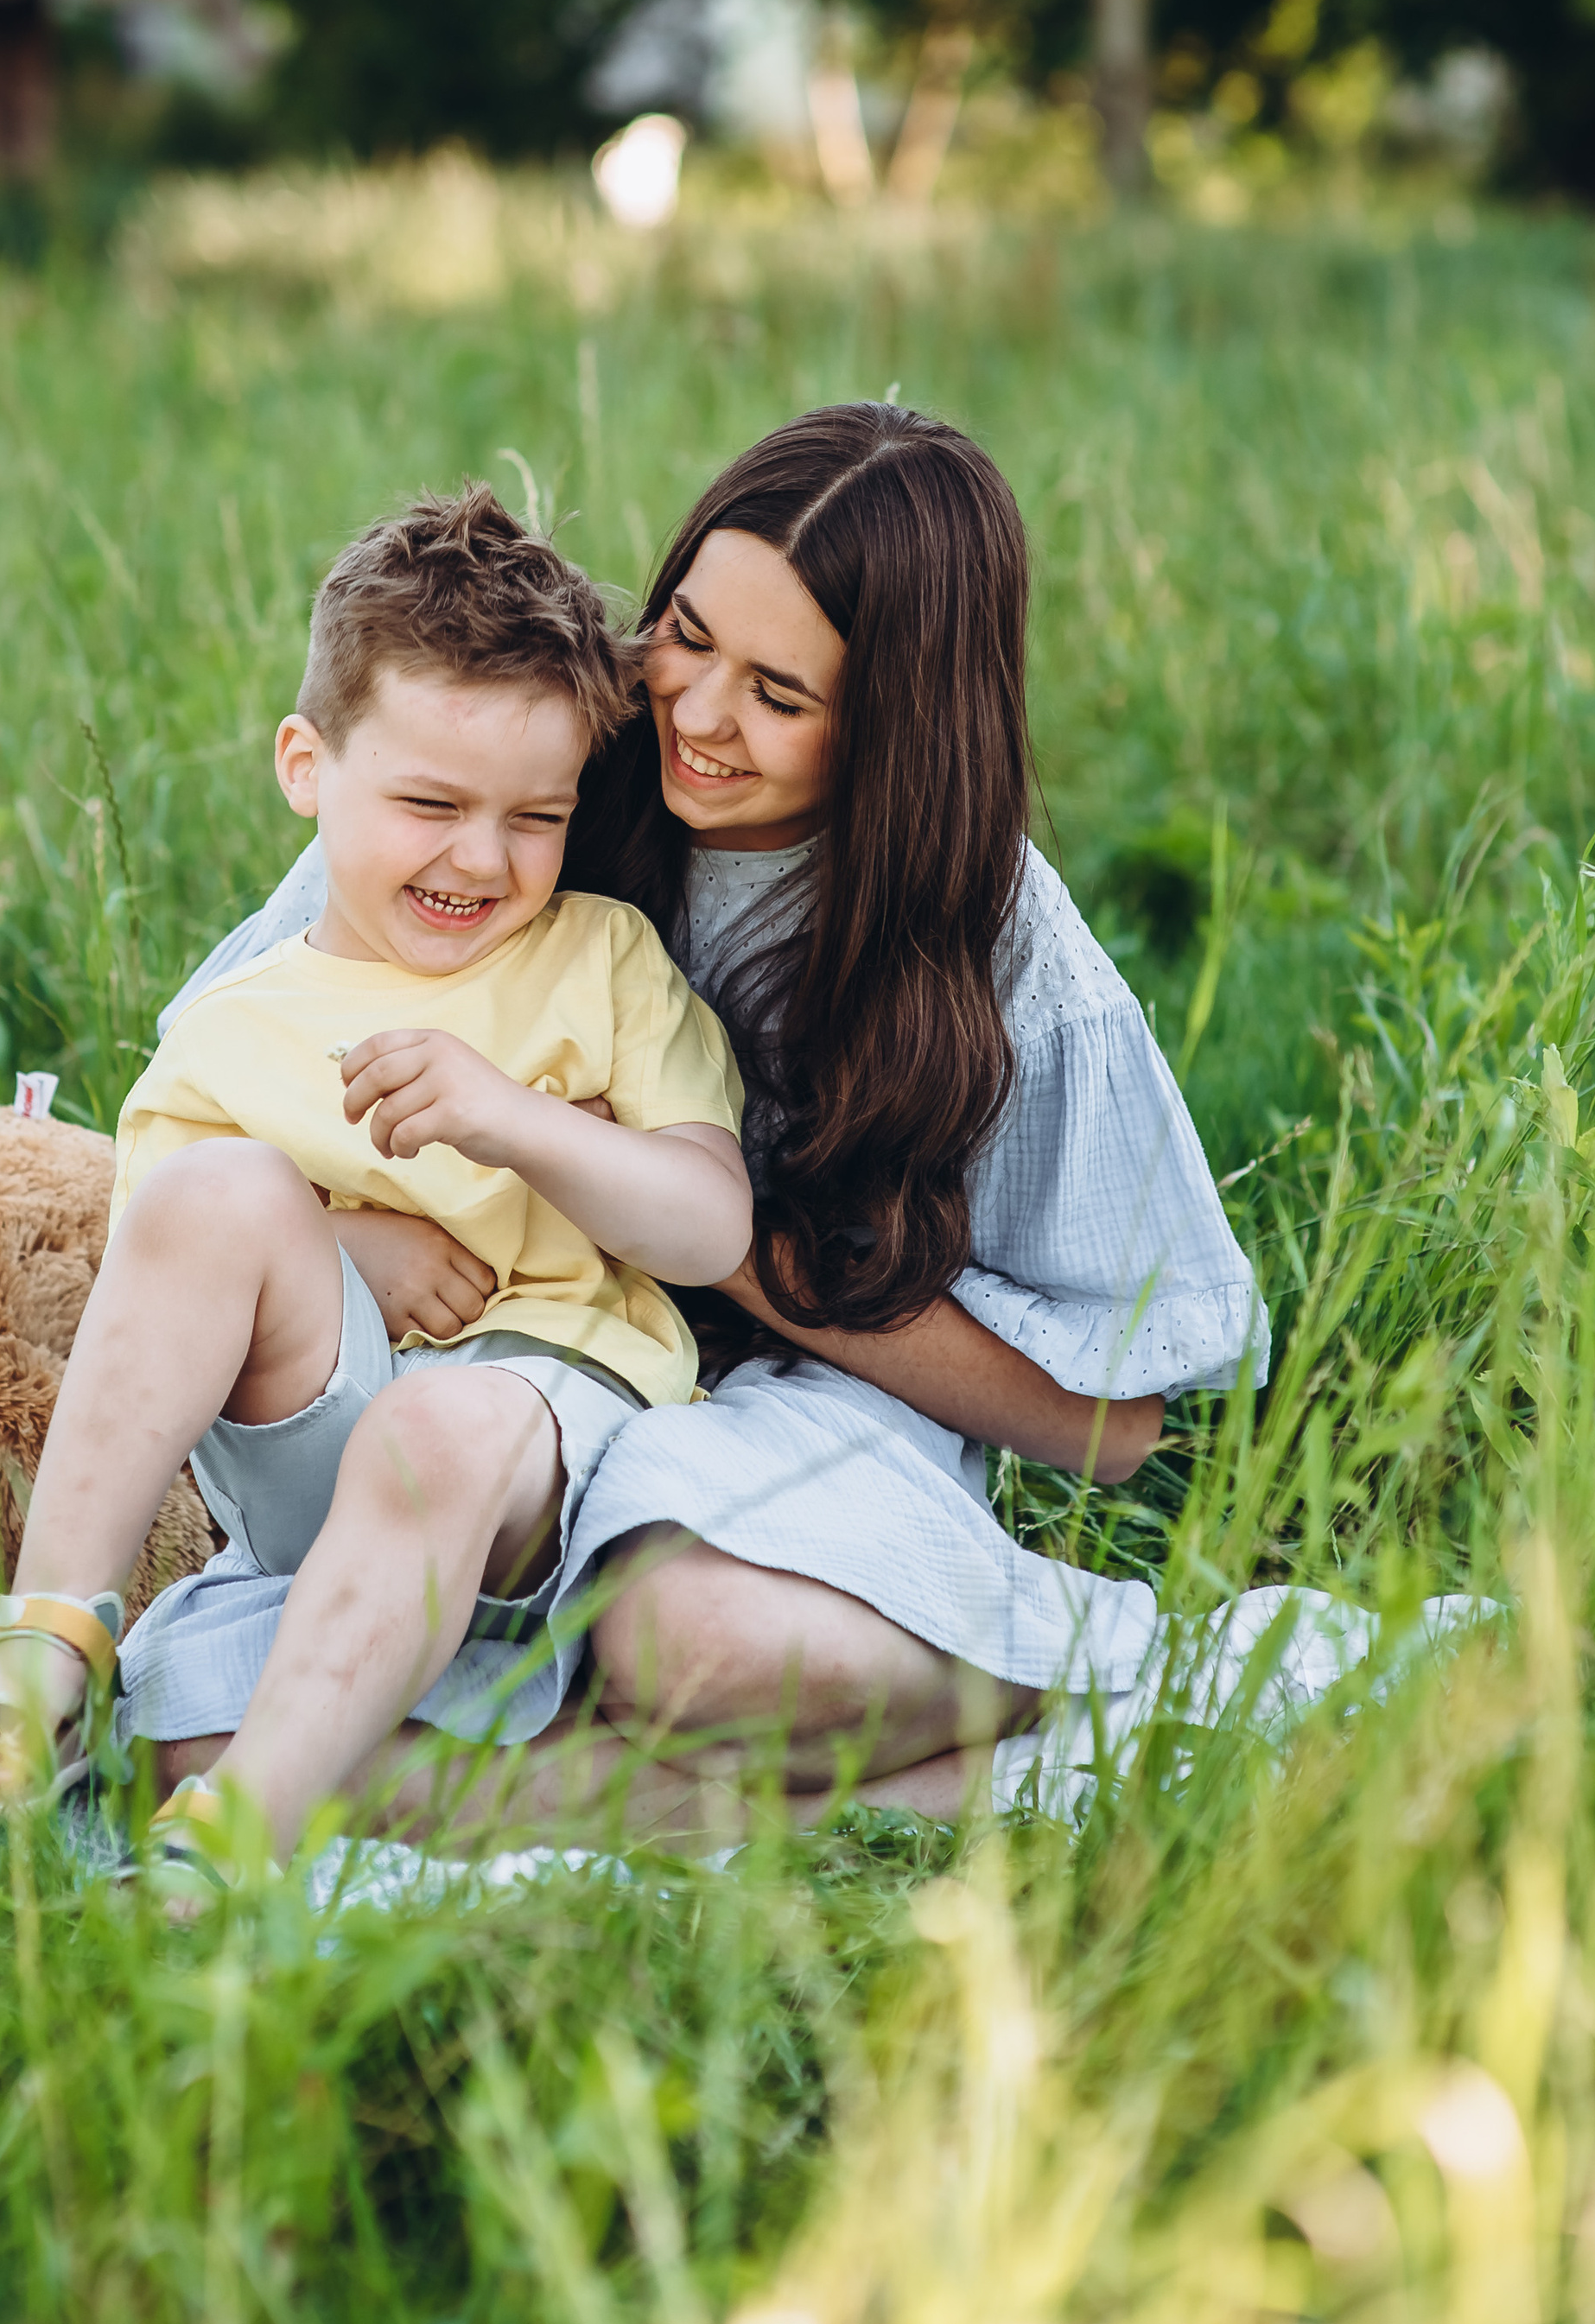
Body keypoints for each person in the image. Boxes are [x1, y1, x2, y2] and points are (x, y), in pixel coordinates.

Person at [120, 404, 1267, 1830]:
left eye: (780, 696)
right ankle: (817, 1795)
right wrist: (353, 1224)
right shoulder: (528, 783)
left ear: (898, 728)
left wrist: (684, 1216)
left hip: (810, 1418)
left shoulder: (998, 944)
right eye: (686, 633)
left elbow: (1110, 1427)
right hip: (500, 1379)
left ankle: (1053, 1683)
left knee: (696, 1646)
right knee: (188, 1737)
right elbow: (224, 1097)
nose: (699, 714)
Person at [0, 486, 751, 1870]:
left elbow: (712, 1227)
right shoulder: (236, 1023)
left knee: (446, 1433)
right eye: (431, 802)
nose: (481, 857)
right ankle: (43, 1650)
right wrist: (340, 1241)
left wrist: (515, 1123)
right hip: (323, 1434)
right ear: (306, 764)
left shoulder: (597, 957)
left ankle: (240, 1831)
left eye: (535, 817)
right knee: (212, 1194)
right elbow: (161, 1286)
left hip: (532, 1448)